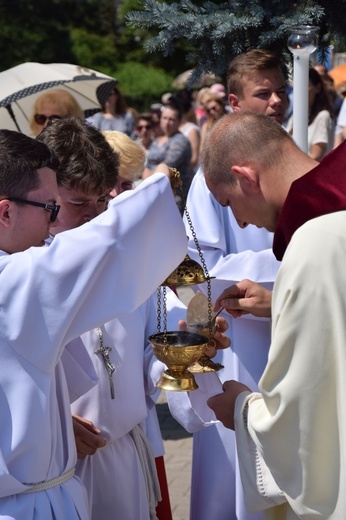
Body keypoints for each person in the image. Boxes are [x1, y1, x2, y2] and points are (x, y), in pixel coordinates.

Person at [0, 126, 187, 520]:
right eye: (58, 205)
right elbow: (114, 238)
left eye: (103, 199)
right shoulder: (25, 276)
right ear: (6, 211)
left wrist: (183, 340)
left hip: (112, 453)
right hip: (36, 490)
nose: (95, 213)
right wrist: (157, 187)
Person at [204, 111, 346, 520]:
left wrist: (242, 410)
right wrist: (279, 299)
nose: (241, 221)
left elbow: (302, 423)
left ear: (246, 177)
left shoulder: (314, 242)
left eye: (230, 203)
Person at [168, 49, 287, 520]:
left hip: (286, 322)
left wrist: (280, 293)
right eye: (264, 93)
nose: (277, 101)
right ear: (235, 102)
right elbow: (195, 268)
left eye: (282, 90)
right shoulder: (212, 177)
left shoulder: (290, 156)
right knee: (239, 467)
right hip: (237, 337)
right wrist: (263, 281)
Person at [143, 101, 192, 211]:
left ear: (179, 121)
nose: (167, 122)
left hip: (174, 196)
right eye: (164, 118)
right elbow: (147, 164)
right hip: (152, 191)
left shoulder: (180, 141)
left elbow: (168, 165)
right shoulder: (156, 140)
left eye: (171, 119)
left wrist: (148, 178)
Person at [286, 67, 335, 160]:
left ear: (318, 88)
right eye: (297, 86)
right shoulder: (295, 116)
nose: (300, 91)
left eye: (305, 86)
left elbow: (316, 156)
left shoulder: (323, 116)